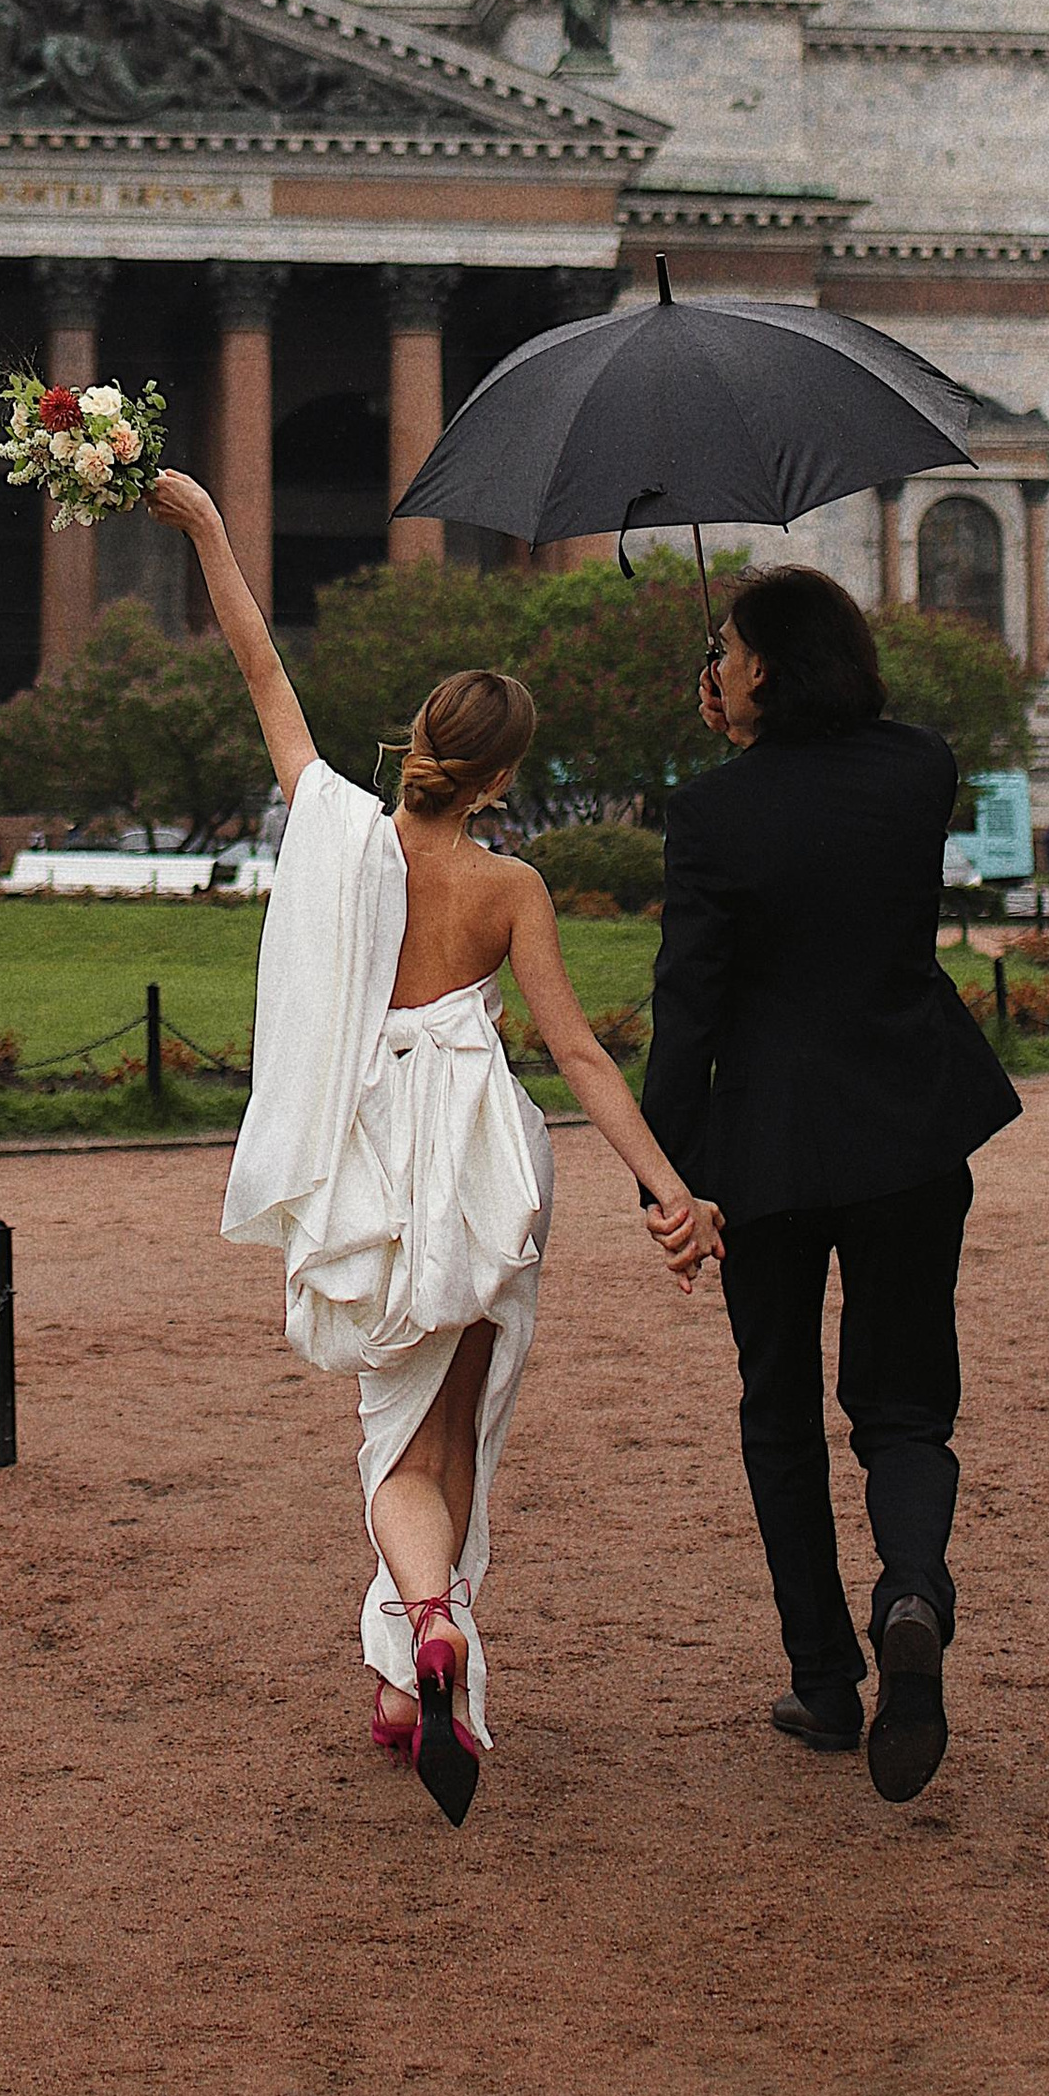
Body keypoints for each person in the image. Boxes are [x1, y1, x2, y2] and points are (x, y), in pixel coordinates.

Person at [148, 467, 706, 1827]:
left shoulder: (339, 831)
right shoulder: (512, 883)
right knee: (456, 1440)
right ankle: (416, 1672)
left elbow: (260, 667)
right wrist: (667, 1185)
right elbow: (576, 1052)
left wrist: (212, 526)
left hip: (377, 1178)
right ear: (506, 774)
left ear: (416, 742)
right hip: (484, 1174)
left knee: (393, 1452)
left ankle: (424, 1625)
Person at [642, 565, 1021, 1805]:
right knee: (905, 1407)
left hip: (770, 1149)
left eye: (732, 648)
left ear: (759, 670)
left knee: (778, 1408)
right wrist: (757, 733)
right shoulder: (919, 767)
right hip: (909, 1126)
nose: (722, 663)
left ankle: (823, 1680)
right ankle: (909, 1588)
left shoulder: (708, 816)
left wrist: (667, 1176)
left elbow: (687, 1009)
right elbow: (853, 776)